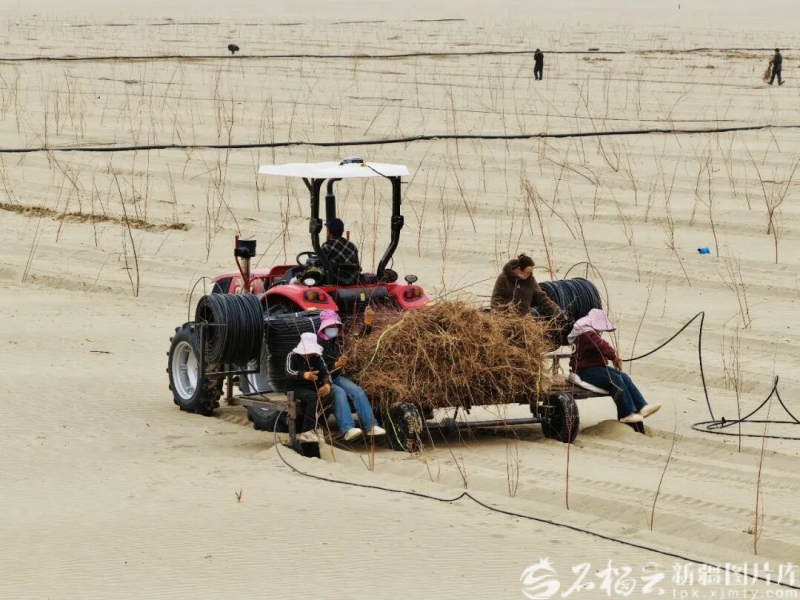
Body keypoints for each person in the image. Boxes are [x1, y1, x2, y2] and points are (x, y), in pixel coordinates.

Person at [568, 309, 660, 424]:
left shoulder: (585, 333)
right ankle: (625, 414)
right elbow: (602, 345)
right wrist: (614, 357)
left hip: (595, 367)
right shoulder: (587, 334)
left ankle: (642, 406)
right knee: (615, 380)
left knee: (624, 377)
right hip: (585, 370)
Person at [316, 309, 386, 441]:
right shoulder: (318, 343)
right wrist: (335, 365)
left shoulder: (338, 340)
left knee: (356, 390)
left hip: (336, 377)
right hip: (323, 380)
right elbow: (318, 365)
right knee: (340, 393)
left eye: (335, 326)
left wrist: (367, 324)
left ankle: (371, 426)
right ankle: (347, 429)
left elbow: (357, 342)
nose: (333, 329)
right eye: (330, 326)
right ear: (324, 327)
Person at [285, 332, 333, 441]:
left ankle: (319, 427)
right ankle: (306, 430)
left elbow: (326, 373)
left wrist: (327, 384)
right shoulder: (292, 356)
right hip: (296, 387)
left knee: (329, 397)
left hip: (312, 386)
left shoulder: (317, 357)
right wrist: (304, 375)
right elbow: (288, 372)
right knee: (312, 397)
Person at [491, 254, 561, 318]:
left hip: (524, 320)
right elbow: (495, 299)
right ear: (519, 270)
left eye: (530, 273)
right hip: (506, 318)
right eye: (527, 273)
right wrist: (499, 316)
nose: (529, 275)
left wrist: (557, 312)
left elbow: (542, 298)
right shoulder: (504, 279)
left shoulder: (530, 281)